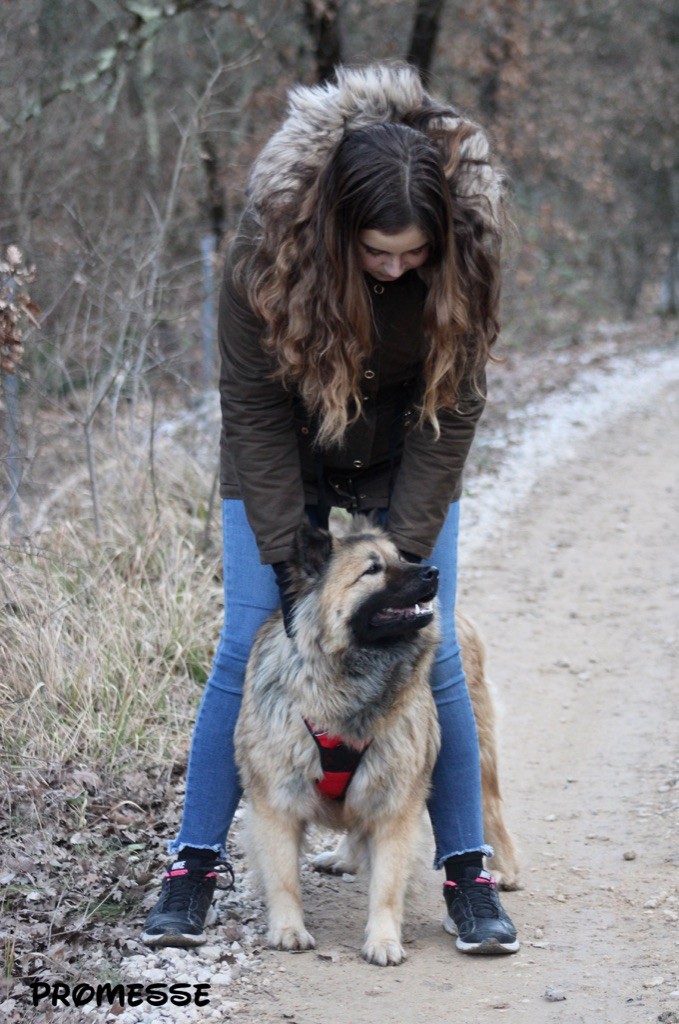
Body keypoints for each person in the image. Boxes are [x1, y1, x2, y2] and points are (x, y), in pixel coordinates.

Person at [142, 63, 519, 956]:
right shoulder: (263, 256)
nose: (394, 267)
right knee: (246, 642)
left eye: (411, 254)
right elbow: (253, 409)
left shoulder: (464, 253)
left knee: (436, 656)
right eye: (376, 253)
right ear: (336, 230)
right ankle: (192, 864)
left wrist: (401, 560)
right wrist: (286, 566)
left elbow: (454, 409)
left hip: (406, 455)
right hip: (285, 451)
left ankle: (466, 870)